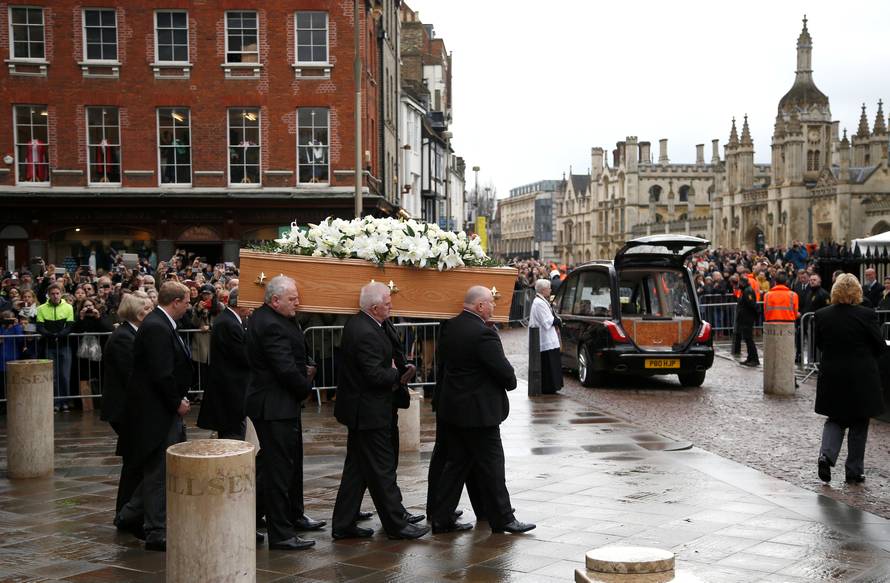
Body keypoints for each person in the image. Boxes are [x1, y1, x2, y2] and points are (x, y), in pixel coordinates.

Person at [429, 286, 535, 535]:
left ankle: (441, 517)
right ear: (479, 306)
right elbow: (504, 372)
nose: (494, 307)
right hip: (479, 414)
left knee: (456, 466)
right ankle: (504, 519)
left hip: (454, 410)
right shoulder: (483, 334)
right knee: (493, 467)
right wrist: (511, 382)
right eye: (490, 303)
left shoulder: (451, 326)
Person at [331, 282, 428, 540]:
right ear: (374, 308)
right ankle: (397, 525)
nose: (391, 306)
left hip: (365, 410)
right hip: (368, 413)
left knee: (357, 470)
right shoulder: (365, 332)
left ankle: (343, 523)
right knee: (382, 469)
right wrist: (399, 373)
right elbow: (374, 375)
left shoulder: (368, 325)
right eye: (387, 303)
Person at [245, 275, 322, 551]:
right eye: (292, 299)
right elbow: (284, 368)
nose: (298, 303)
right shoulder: (269, 324)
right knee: (278, 471)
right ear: (275, 300)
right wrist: (306, 384)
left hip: (278, 404)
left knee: (272, 467)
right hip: (274, 405)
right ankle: (281, 534)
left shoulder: (275, 318)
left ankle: (256, 518)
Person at [116, 282, 193, 552]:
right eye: (187, 301)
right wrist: (177, 403)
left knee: (160, 469)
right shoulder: (158, 327)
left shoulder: (162, 323)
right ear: (175, 302)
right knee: (159, 471)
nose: (189, 306)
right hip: (156, 412)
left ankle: (128, 514)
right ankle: (156, 529)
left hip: (162, 409)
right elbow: (161, 373)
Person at [814, 274, 885, 484]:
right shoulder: (867, 314)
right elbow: (880, 345)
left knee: (835, 419)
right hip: (861, 375)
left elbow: (819, 345)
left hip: (833, 374)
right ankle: (854, 470)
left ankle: (826, 455)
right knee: (859, 422)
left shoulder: (822, 314)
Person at [101, 291, 152, 534]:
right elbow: (131, 375)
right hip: (124, 410)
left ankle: (127, 513)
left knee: (134, 462)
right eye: (149, 309)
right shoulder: (123, 337)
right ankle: (128, 514)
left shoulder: (132, 333)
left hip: (131, 409)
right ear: (139, 312)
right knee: (134, 462)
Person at [197, 288, 250, 440]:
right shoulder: (229, 323)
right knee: (233, 437)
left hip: (230, 389)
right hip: (230, 392)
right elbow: (242, 356)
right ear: (239, 304)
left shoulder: (229, 320)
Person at [36, 283, 74, 412]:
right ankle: (56, 402)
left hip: (64, 345)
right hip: (49, 345)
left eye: (57, 293)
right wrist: (51, 335)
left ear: (61, 293)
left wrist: (59, 335)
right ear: (49, 295)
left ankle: (65, 402)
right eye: (53, 294)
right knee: (53, 376)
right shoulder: (41, 308)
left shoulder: (68, 307)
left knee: (64, 375)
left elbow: (69, 326)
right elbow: (40, 327)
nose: (55, 296)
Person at [528, 278, 562, 394]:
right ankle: (548, 387)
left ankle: (553, 387)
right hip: (544, 339)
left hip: (549, 338)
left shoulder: (541, 301)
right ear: (543, 290)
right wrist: (558, 321)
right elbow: (547, 321)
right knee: (548, 366)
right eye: (549, 288)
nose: (550, 290)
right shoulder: (539, 303)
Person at [736, 276, 760, 367]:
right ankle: (750, 358)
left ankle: (754, 359)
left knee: (749, 339)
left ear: (743, 283)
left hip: (747, 318)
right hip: (744, 318)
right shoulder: (744, 290)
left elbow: (751, 304)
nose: (739, 285)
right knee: (747, 339)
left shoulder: (748, 291)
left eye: (740, 283)